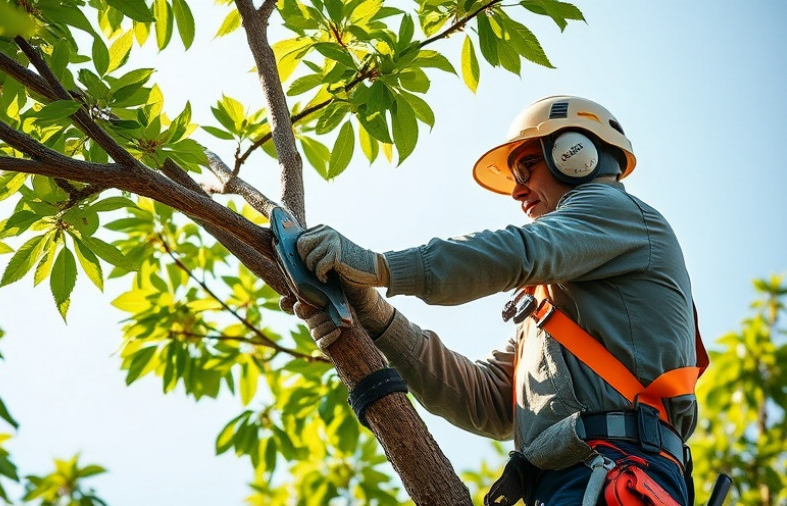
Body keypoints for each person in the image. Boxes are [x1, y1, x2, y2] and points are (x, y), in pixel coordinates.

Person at [288, 96, 707, 505]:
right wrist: (376, 318)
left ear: (574, 154)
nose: (517, 192)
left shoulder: (613, 208)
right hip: (576, 478)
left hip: (618, 469)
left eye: (527, 166)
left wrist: (379, 266)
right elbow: (489, 400)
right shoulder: (558, 308)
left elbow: (520, 252)